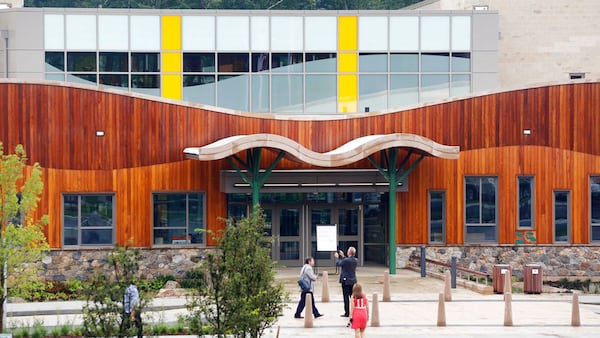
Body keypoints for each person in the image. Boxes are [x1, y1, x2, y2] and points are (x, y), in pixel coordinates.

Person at [334, 246, 358, 317]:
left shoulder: (346, 260)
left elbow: (339, 263)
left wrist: (337, 257)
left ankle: (347, 312)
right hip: (353, 281)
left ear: (349, 252)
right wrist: (343, 256)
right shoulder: (356, 260)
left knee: (346, 297)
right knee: (353, 297)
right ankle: (354, 310)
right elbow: (346, 261)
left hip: (346, 281)